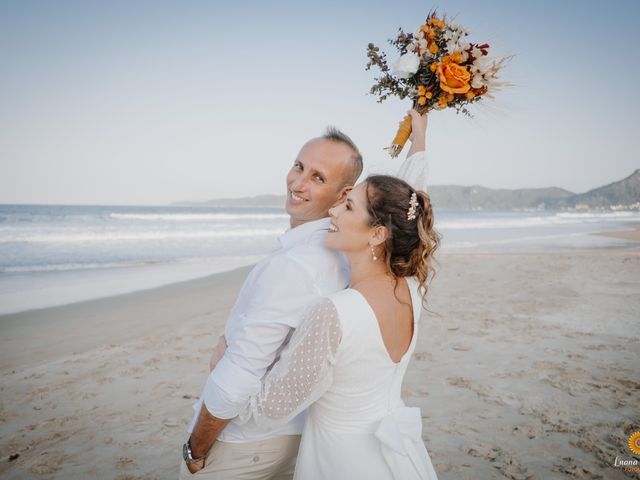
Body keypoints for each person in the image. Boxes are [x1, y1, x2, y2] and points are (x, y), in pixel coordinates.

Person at [180, 112, 430, 479]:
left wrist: (196, 447)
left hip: (279, 447)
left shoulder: (312, 281)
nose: (298, 182)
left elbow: (252, 382)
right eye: (298, 166)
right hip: (368, 444)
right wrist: (419, 138)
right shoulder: (404, 281)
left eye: (319, 178)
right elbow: (407, 204)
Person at [230, 171, 441, 479]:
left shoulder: (336, 311)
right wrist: (418, 135)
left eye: (348, 207)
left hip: (343, 459)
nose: (333, 210)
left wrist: (226, 369)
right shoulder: (412, 290)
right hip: (398, 457)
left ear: (378, 234)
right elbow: (409, 204)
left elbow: (270, 410)